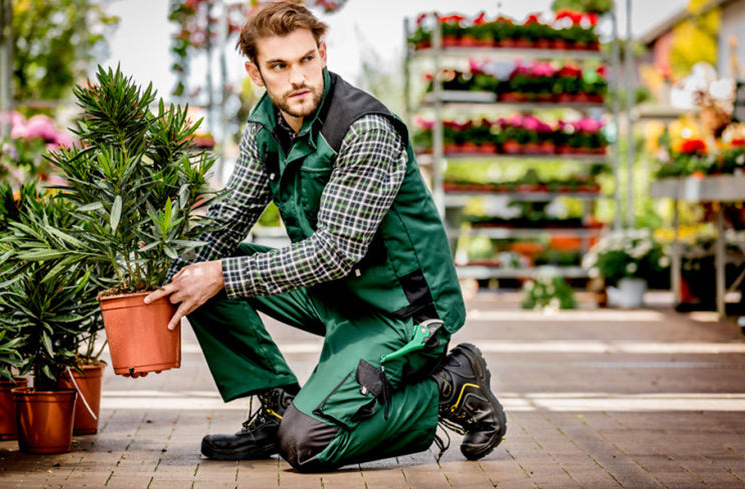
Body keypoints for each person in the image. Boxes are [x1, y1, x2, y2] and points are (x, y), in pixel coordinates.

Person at [144, 1, 505, 472]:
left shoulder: (364, 129)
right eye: (279, 66)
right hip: (335, 296)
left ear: (322, 53)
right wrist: (160, 280)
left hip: (400, 314)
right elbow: (229, 217)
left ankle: (451, 387)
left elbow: (335, 253)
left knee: (306, 444)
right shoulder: (266, 127)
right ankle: (277, 404)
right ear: (256, 73)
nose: (297, 77)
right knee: (200, 273)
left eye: (305, 60)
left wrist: (221, 275)